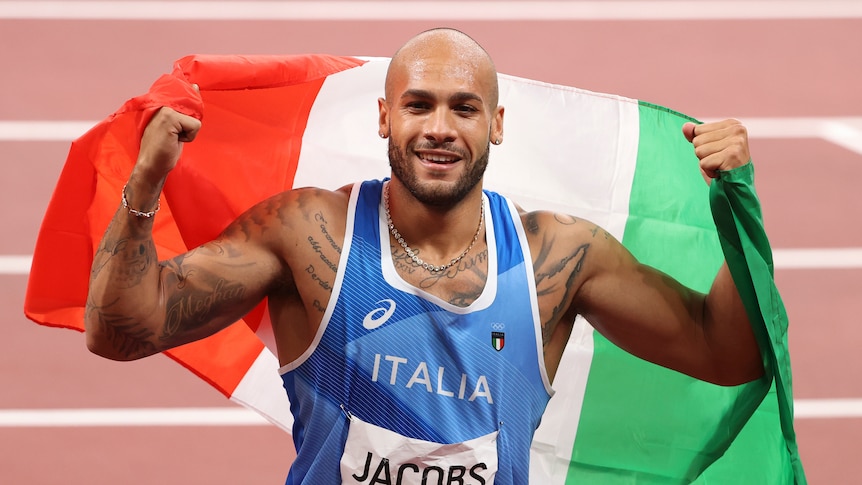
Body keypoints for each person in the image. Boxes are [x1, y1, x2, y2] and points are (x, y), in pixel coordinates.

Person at [85, 28, 763, 484]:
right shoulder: (308, 234)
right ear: (385, 118)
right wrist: (144, 185)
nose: (439, 127)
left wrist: (737, 207)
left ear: (495, 124)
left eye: (464, 108)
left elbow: (725, 351)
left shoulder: (558, 256)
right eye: (419, 105)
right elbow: (119, 331)